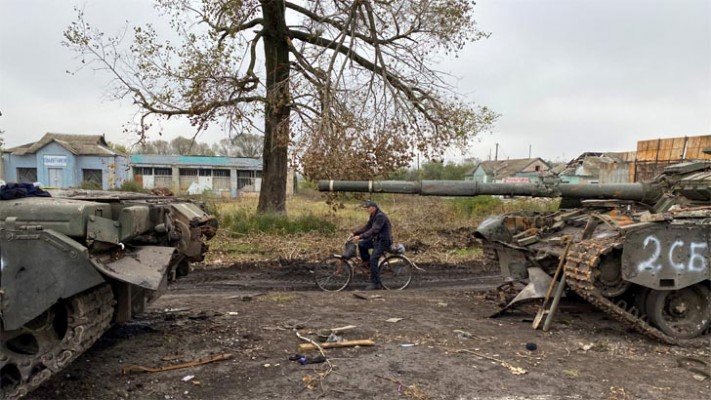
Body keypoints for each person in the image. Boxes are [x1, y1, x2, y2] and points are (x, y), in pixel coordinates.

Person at [352, 200, 392, 290]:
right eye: (366, 208)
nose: (366, 209)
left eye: (368, 207)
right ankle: (369, 266)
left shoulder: (380, 216)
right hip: (377, 240)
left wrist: (361, 236)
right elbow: (367, 227)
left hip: (384, 241)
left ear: (374, 208)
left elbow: (374, 230)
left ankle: (376, 283)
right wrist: (355, 233)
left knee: (373, 258)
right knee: (362, 245)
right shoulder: (373, 215)